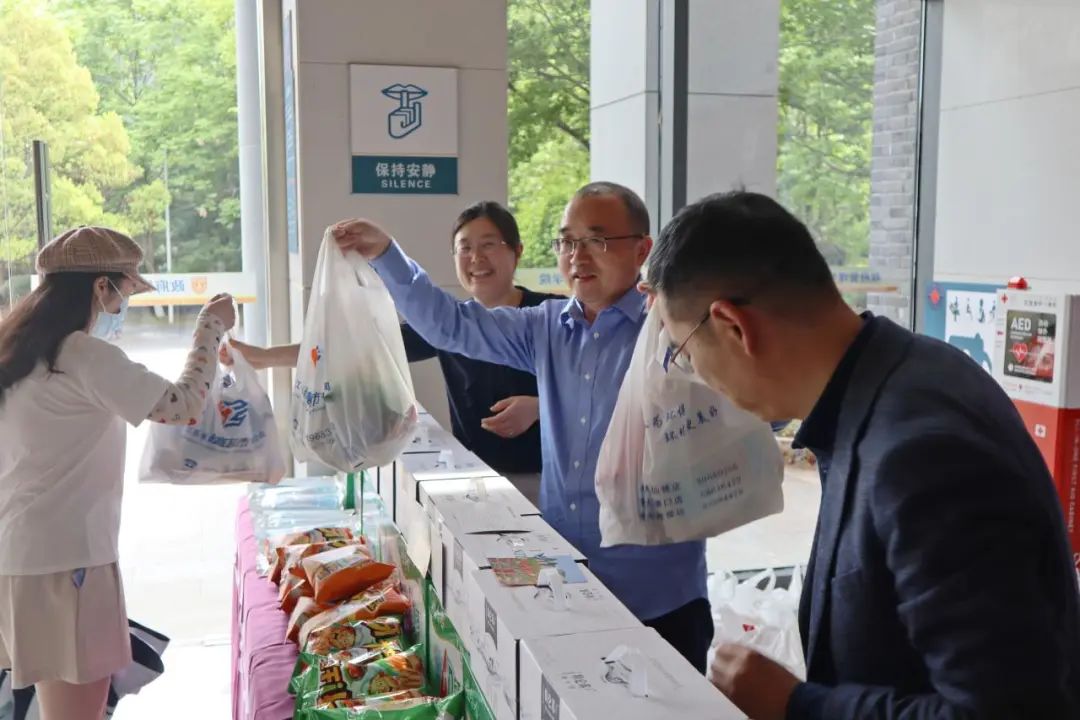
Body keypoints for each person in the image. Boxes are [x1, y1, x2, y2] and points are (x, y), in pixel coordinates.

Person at [644, 191, 1080, 719]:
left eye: (685, 354)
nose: (696, 376)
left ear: (735, 327)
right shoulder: (907, 371)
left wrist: (795, 705)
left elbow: (1011, 711)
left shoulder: (922, 456)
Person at [325, 182, 713, 672]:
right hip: (565, 576)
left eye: (596, 240)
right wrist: (387, 254)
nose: (577, 256)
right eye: (567, 241)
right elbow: (451, 325)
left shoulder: (674, 327)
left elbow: (751, 406)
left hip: (658, 593)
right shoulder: (545, 326)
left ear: (642, 250)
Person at [0, 227, 235, 720]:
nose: (125, 304)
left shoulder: (18, 351)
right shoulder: (81, 355)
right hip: (69, 562)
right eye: (126, 290)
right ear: (101, 287)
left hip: (20, 556)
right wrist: (210, 328)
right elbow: (182, 405)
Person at [232, 201, 562, 497]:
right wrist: (262, 358)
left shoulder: (551, 317)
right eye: (464, 248)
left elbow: (592, 392)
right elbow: (352, 349)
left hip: (547, 481)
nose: (476, 258)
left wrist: (540, 407)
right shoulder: (449, 328)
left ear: (517, 251)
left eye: (488, 245)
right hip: (477, 480)